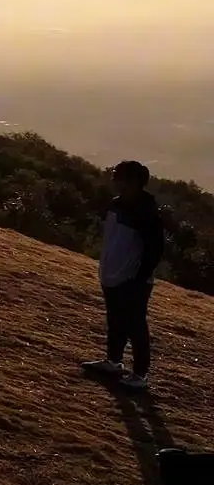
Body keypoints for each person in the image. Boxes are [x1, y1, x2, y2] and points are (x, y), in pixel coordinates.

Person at [83, 160, 167, 390]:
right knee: (115, 320)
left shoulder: (146, 212)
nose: (114, 180)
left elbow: (155, 248)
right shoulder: (116, 205)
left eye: (118, 177)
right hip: (112, 273)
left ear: (133, 182)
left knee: (136, 325)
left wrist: (140, 275)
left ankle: (140, 375)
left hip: (133, 278)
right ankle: (114, 361)